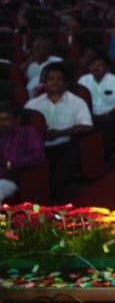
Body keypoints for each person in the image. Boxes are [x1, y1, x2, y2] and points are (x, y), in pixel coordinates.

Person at [24, 64, 92, 201]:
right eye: (50, 79)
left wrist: (60, 133)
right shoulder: (32, 104)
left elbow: (87, 126)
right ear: (44, 84)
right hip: (38, 147)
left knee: (56, 182)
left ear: (65, 83)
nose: (55, 82)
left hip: (65, 145)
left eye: (59, 79)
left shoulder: (77, 102)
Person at [0, 101, 44, 203]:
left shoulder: (28, 132)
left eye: (6, 120)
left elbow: (38, 156)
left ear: (17, 120)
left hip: (8, 178)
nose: (1, 124)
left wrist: (10, 163)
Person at [77, 55, 115, 138]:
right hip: (90, 114)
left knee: (107, 121)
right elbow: (78, 100)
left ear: (107, 69)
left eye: (100, 65)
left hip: (111, 113)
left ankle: (106, 146)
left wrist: (106, 115)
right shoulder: (83, 80)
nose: (95, 68)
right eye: (93, 65)